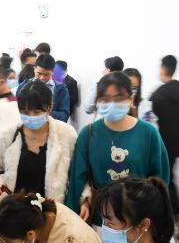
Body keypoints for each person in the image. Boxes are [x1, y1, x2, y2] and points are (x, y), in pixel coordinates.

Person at [67, 72, 170, 225]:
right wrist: (82, 203)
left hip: (135, 218)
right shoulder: (88, 134)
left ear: (131, 99)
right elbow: (77, 179)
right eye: (105, 99)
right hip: (99, 218)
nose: (111, 104)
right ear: (97, 101)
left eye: (118, 98)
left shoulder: (149, 133)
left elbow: (160, 179)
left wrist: (150, 218)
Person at [0, 80, 78, 204]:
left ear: (49, 107)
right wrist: (0, 193)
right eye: (25, 112)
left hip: (52, 210)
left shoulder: (66, 134)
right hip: (15, 208)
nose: (31, 116)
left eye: (37, 112)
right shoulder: (7, 135)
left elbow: (76, 172)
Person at [149, 55, 179, 239]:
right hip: (175, 147)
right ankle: (177, 216)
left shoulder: (159, 94)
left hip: (158, 147)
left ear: (163, 68)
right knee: (168, 180)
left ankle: (171, 218)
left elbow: (149, 122)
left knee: (159, 182)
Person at [32, 53, 70, 122]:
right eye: (39, 73)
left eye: (46, 75)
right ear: (34, 69)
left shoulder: (61, 89)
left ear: (53, 72)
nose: (42, 78)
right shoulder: (23, 87)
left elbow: (64, 116)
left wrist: (46, 113)